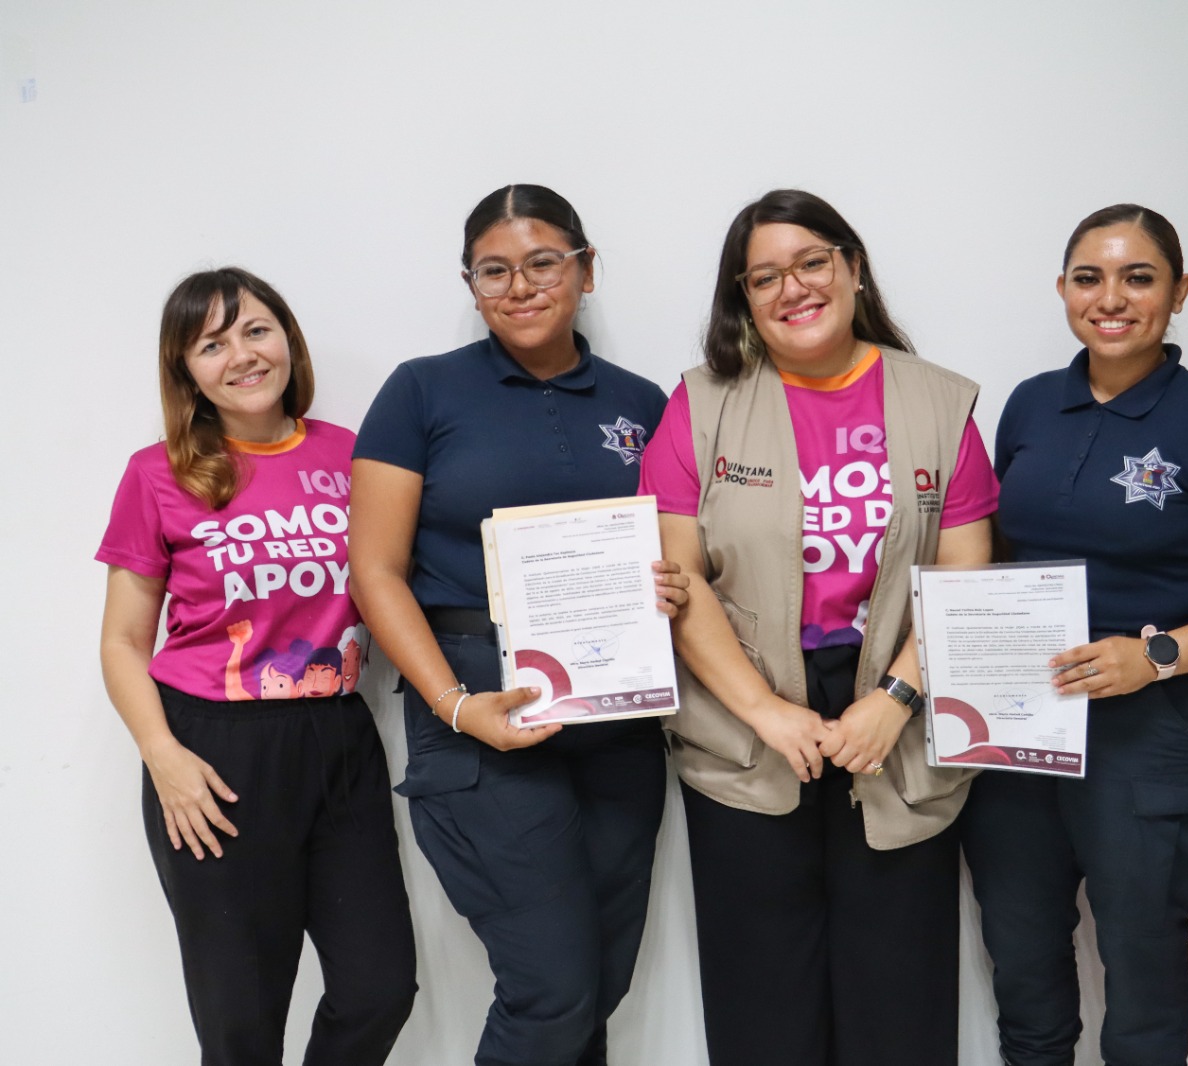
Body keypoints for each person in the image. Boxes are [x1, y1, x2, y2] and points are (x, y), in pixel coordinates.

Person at [638, 189, 998, 1066]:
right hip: (744, 715)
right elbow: (677, 582)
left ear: (853, 267)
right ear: (745, 299)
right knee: (764, 1000)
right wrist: (765, 710)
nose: (793, 288)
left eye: (811, 263)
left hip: (896, 714)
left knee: (898, 995)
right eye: (765, 277)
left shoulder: (940, 402)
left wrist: (897, 698)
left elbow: (965, 577)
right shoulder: (700, 404)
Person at [960, 204, 1188, 1066]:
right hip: (1022, 727)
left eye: (1139, 277)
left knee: (1144, 964)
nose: (1111, 298)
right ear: (1062, 290)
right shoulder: (1028, 406)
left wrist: (1156, 656)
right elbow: (1000, 555)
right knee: (1022, 958)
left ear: (1180, 291)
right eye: (1089, 278)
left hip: (1153, 734)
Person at [348, 184, 686, 1066]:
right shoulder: (421, 391)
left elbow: (682, 545)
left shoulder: (643, 402)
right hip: (477, 707)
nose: (520, 286)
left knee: (598, 984)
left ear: (586, 269)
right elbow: (374, 573)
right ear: (470, 285)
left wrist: (678, 587)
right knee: (552, 989)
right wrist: (456, 707)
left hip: (618, 711)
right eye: (493, 271)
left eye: (543, 263)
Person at [97, 268, 416, 1066]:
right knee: (241, 1021)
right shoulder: (157, 472)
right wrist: (164, 757)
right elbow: (122, 642)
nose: (241, 354)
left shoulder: (354, 454)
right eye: (211, 343)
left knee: (381, 988)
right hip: (214, 752)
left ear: (288, 339)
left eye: (256, 330)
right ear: (186, 371)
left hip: (340, 737)